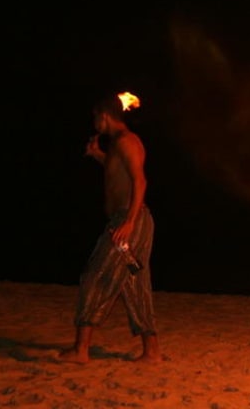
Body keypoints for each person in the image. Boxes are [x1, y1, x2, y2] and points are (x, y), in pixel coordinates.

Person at [59, 93, 160, 363]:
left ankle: (81, 350)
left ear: (104, 115)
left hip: (129, 223)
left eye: (95, 117)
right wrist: (97, 155)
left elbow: (140, 181)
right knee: (134, 284)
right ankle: (152, 352)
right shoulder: (117, 144)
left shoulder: (127, 141)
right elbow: (117, 170)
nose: (94, 123)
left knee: (94, 276)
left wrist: (128, 221)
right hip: (130, 221)